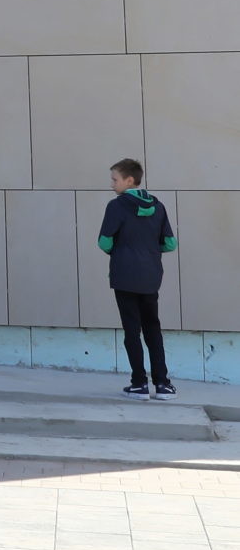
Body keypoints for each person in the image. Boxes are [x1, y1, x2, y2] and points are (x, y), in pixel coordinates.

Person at [101, 158, 178, 397]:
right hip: (150, 277)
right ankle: (163, 384)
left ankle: (138, 383)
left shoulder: (116, 206)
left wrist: (122, 251)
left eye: (115, 179)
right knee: (152, 329)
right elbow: (170, 244)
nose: (112, 184)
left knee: (131, 331)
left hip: (124, 277)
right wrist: (149, 252)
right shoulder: (159, 206)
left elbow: (104, 242)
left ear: (129, 180)